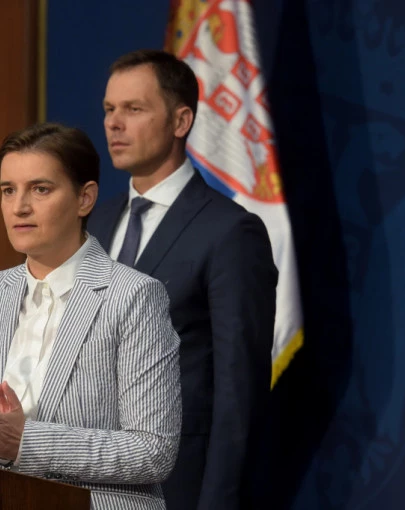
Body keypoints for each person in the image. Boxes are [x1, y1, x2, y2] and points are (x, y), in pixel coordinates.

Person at [0, 122, 182, 509]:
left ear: (84, 199)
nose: (19, 207)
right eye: (8, 190)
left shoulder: (133, 296)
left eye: (40, 189)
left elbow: (153, 450)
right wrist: (1, 451)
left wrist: (26, 442)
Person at [88, 49, 278, 509]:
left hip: (178, 489)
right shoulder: (94, 223)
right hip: (87, 483)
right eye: (109, 109)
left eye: (134, 109)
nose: (114, 124)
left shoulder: (230, 232)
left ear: (180, 121)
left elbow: (239, 392)